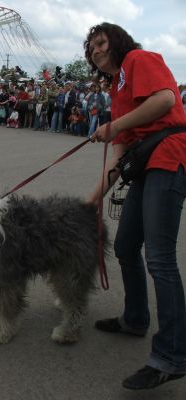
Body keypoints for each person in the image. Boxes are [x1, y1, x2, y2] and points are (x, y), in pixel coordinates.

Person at [84, 22, 186, 390]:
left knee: (159, 258)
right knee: (126, 247)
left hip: (170, 156)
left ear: (118, 42)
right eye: (90, 47)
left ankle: (172, 356)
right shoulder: (117, 87)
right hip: (143, 163)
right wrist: (90, 201)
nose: (95, 50)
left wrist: (114, 125)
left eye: (100, 42)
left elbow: (165, 101)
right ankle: (135, 318)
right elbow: (120, 153)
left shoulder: (138, 59)